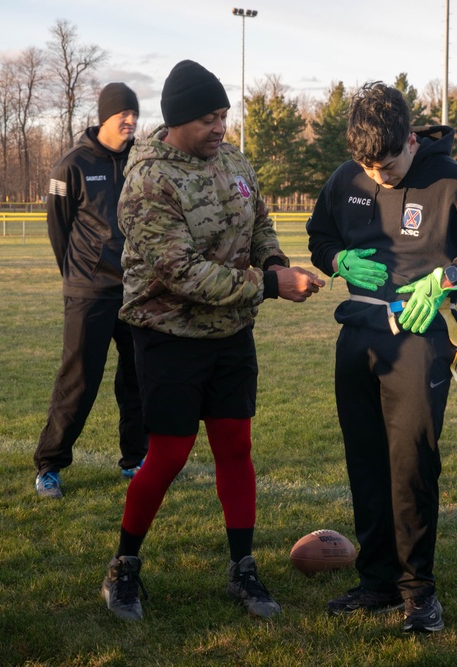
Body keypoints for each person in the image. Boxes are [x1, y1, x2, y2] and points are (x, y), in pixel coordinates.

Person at [100, 59, 324, 621]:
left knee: (235, 448)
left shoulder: (231, 157)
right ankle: (124, 565)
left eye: (224, 115)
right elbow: (184, 273)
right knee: (169, 455)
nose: (220, 127)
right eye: (207, 119)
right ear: (176, 121)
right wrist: (272, 284)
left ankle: (242, 567)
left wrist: (273, 256)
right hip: (170, 335)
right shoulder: (149, 178)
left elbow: (260, 219)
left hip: (231, 333)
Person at [306, 82, 457, 633]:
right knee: (366, 462)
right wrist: (338, 260)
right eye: (367, 165)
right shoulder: (345, 178)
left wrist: (451, 278)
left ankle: (418, 591)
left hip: (418, 339)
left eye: (389, 161)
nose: (380, 174)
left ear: (409, 139)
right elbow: (319, 236)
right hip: (357, 337)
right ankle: (377, 582)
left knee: (411, 464)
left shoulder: (452, 181)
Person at [34, 83, 148, 499]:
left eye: (135, 115)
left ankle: (136, 460)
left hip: (136, 291)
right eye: (124, 115)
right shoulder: (73, 164)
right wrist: (80, 274)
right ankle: (50, 465)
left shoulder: (142, 159)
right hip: (90, 291)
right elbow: (58, 229)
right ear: (105, 117)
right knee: (78, 381)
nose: (132, 122)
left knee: (137, 379)